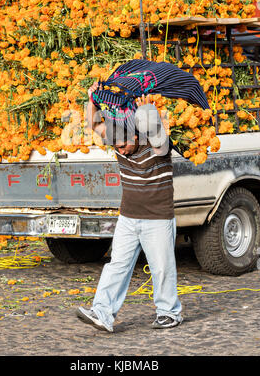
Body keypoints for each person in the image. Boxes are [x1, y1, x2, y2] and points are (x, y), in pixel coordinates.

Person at [76, 81, 182, 332]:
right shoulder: (118, 141)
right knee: (117, 265)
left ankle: (169, 313)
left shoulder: (158, 149)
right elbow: (94, 124)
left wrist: (146, 110)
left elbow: (157, 134)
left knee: (162, 267)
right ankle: (102, 312)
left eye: (124, 144)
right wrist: (92, 98)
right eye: (116, 146)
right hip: (128, 217)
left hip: (157, 218)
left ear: (137, 135)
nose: (120, 149)